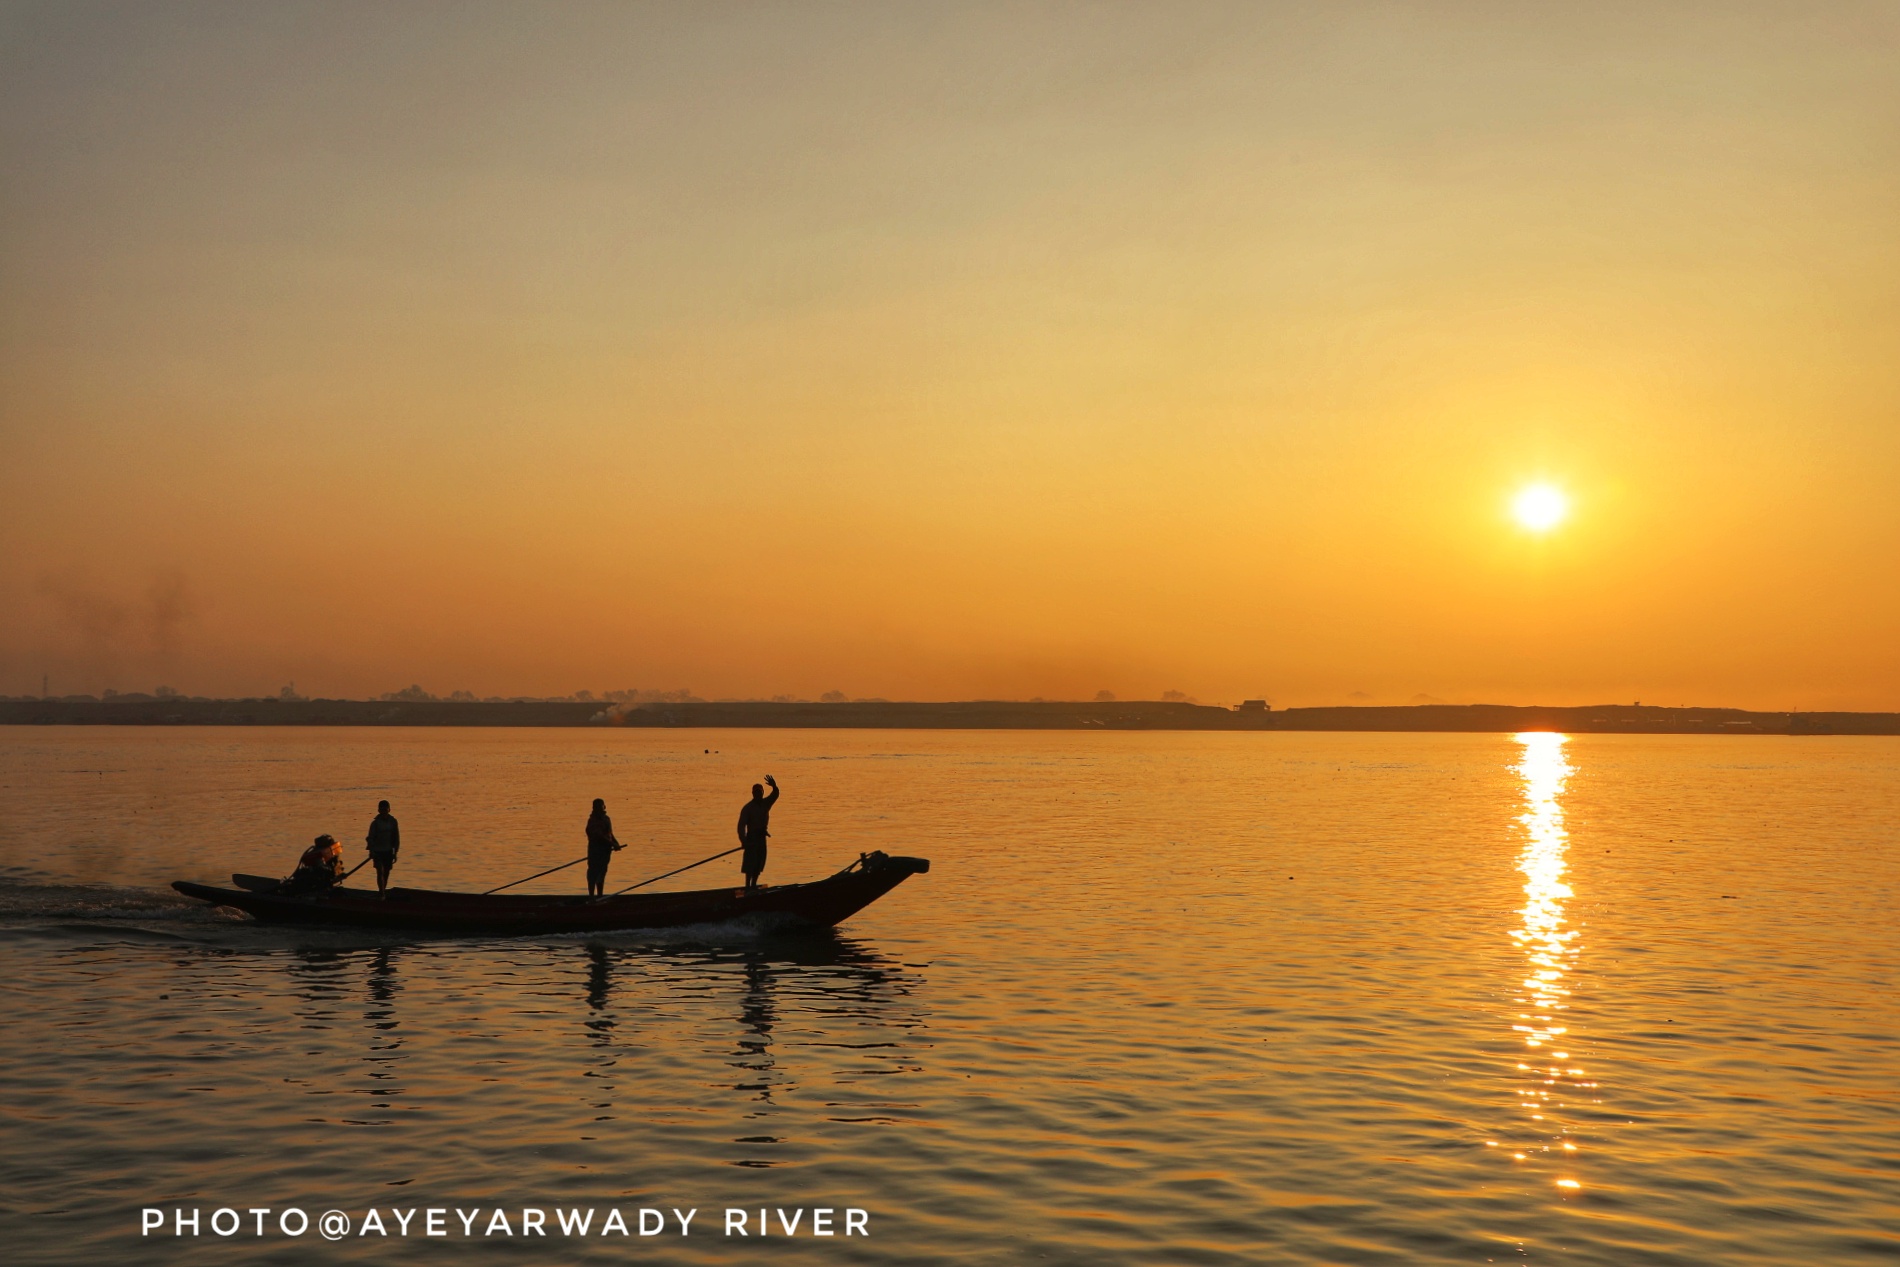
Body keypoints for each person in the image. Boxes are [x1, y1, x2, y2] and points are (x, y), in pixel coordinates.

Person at [735, 775, 779, 891]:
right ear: (753, 794)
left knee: (759, 862)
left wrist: (774, 786)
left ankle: (754, 884)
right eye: (756, 792)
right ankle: (748, 886)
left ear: (762, 793)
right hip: (752, 839)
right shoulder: (748, 808)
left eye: (760, 792)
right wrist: (744, 841)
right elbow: (741, 826)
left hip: (761, 837)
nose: (758, 794)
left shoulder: (766, 804)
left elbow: (775, 795)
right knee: (750, 863)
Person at [585, 798, 623, 897]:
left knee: (602, 872)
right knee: (593, 873)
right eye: (596, 807)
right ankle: (591, 897)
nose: (599, 809)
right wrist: (612, 844)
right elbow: (599, 836)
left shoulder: (606, 819)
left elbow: (609, 833)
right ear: (593, 808)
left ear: (604, 806)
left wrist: (615, 842)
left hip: (605, 852)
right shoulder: (593, 821)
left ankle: (600, 896)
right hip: (595, 850)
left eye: (601, 806)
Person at [364, 800, 400, 899]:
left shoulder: (393, 821)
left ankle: (382, 891)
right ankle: (382, 893)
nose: (384, 811)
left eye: (386, 809)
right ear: (379, 810)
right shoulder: (375, 823)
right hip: (377, 851)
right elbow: (370, 838)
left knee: (386, 872)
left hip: (388, 851)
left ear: (389, 809)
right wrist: (371, 851)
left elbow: (396, 838)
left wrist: (395, 852)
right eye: (382, 809)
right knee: (380, 871)